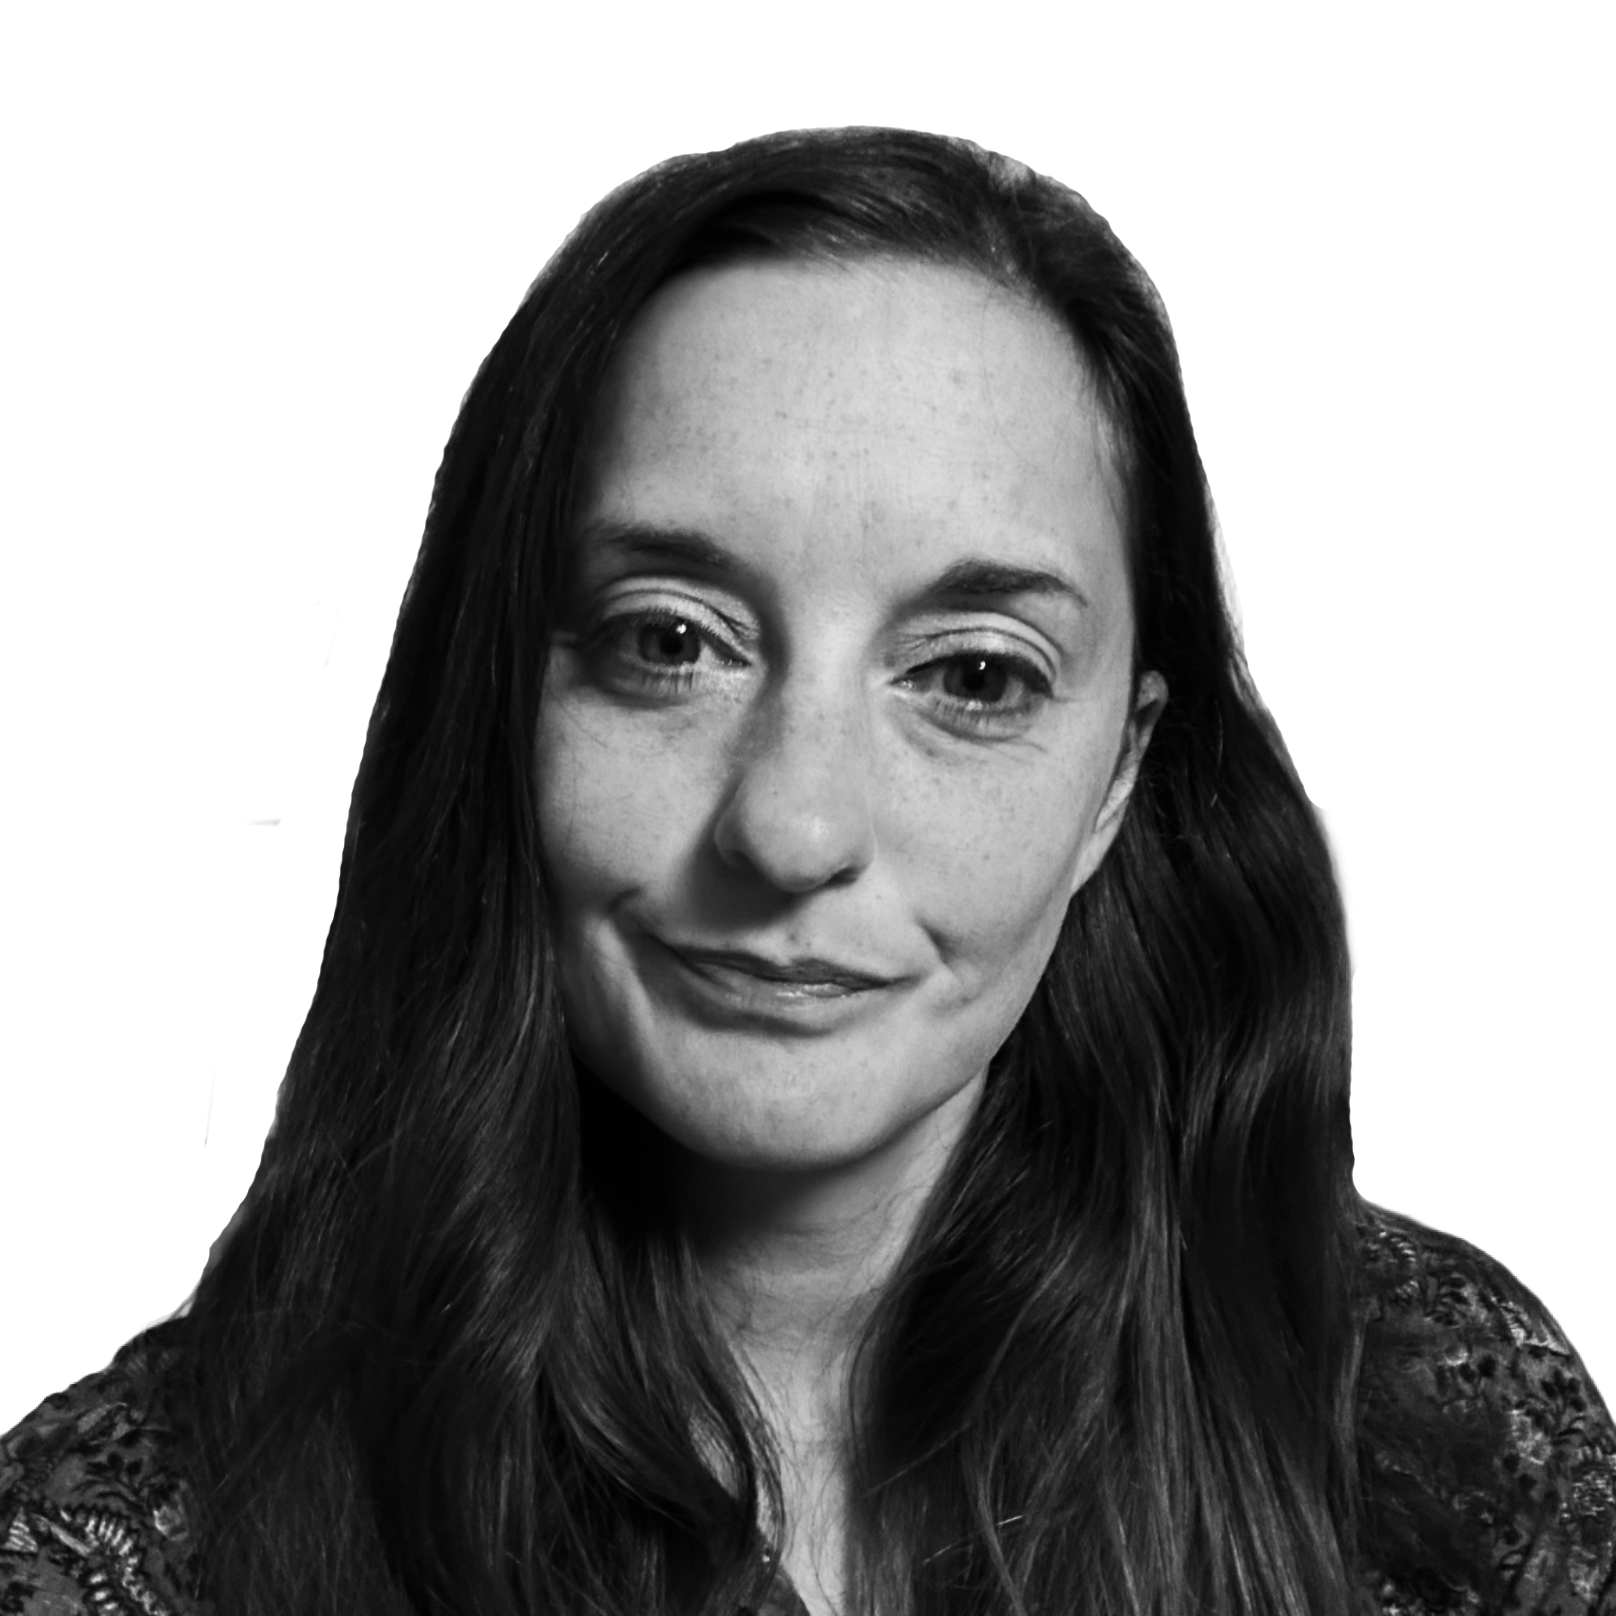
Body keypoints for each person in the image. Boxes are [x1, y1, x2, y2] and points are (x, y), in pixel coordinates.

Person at [1, 126, 1611, 1616]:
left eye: (973, 676)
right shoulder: (124, 1555)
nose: (793, 829)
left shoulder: (1440, 1442)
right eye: (670, 643)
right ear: (499, 700)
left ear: (1118, 777)